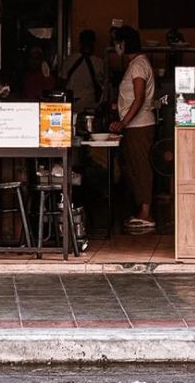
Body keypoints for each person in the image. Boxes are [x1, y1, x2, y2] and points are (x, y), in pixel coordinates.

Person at [109, 27, 156, 233]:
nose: (115, 46)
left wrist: (123, 122)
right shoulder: (137, 64)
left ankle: (146, 212)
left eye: (117, 42)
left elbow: (139, 98)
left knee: (141, 168)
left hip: (139, 125)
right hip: (135, 124)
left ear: (124, 43)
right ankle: (141, 210)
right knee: (133, 167)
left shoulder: (138, 65)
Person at [59, 29, 105, 116]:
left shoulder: (69, 60)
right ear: (93, 43)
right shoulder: (99, 63)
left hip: (71, 102)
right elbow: (103, 87)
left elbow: (62, 83)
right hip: (90, 104)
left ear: (80, 42)